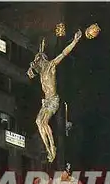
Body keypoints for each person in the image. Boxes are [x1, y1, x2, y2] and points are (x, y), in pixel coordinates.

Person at [27, 30, 82, 162]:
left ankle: (52, 147)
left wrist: (74, 41)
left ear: (42, 60)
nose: (35, 63)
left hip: (53, 100)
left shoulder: (51, 66)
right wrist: (31, 69)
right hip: (46, 101)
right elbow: (31, 71)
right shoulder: (40, 72)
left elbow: (63, 53)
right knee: (38, 122)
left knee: (44, 122)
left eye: (37, 60)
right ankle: (48, 148)